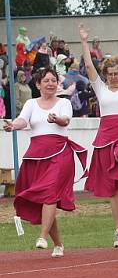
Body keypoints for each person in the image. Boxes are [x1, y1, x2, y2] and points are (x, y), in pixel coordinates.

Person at [5, 68, 87, 257]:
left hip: (60, 154)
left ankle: (42, 237)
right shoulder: (31, 103)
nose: (50, 83)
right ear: (38, 84)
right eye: (46, 80)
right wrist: (12, 126)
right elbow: (22, 121)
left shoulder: (64, 102)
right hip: (36, 155)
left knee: (50, 193)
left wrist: (56, 119)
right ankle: (58, 244)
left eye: (53, 80)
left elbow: (65, 120)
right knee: (44, 199)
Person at [79, 22, 118, 247]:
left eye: (117, 74)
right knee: (113, 189)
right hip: (106, 136)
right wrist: (85, 42)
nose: (113, 77)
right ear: (105, 75)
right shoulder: (101, 89)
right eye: (110, 74)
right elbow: (88, 66)